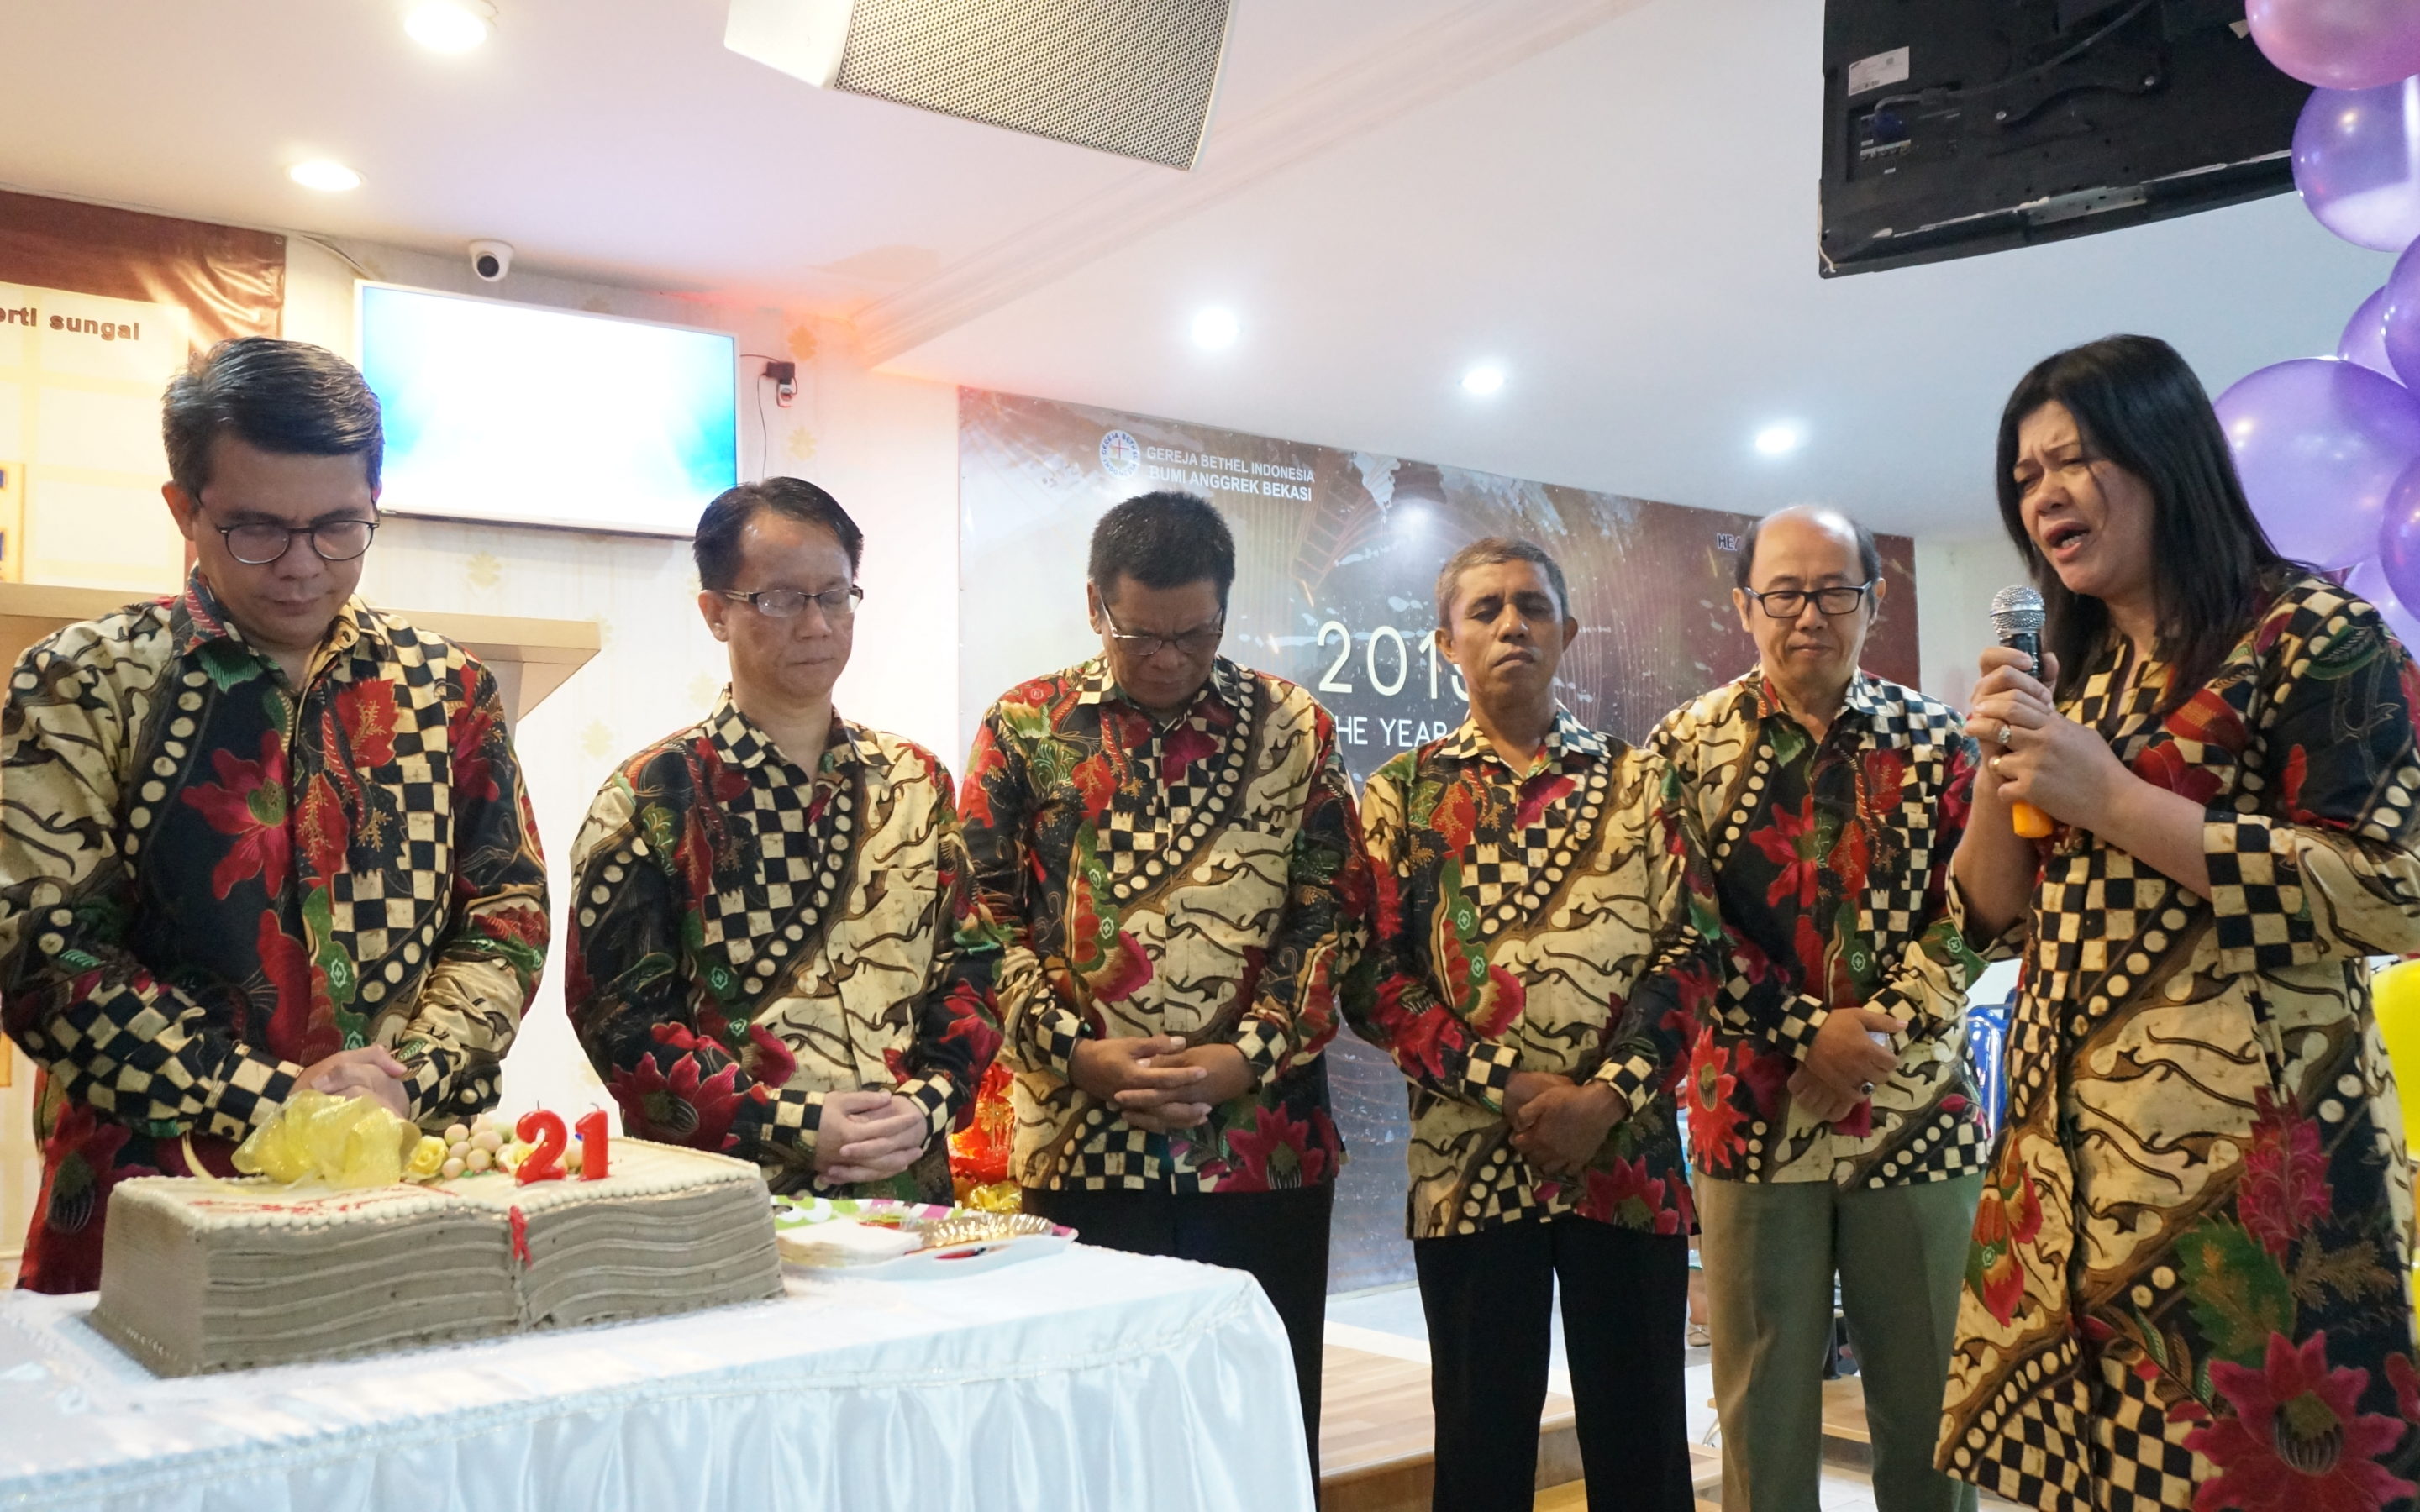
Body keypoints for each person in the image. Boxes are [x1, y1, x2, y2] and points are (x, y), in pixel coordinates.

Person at [1944, 334, 2420, 1510]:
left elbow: (2392, 886)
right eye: (2024, 476)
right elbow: (1986, 919)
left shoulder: (2313, 635)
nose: (2043, 494)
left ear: (2167, 454)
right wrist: (2008, 758)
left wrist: (2114, 800)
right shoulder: (2074, 671)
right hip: (2064, 1191)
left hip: (2248, 1200)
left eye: (2073, 459)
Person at [0, 337, 550, 1292]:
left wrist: (409, 1077)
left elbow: (505, 916)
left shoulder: (446, 690)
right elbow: (41, 950)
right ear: (185, 509)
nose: (301, 566)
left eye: (339, 528)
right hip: (154, 1188)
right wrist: (271, 1099)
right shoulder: (86, 681)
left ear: (375, 501)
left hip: (401, 1173)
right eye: (256, 530)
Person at [958, 491, 1364, 1486]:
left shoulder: (1295, 729)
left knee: (1260, 1431)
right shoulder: (1025, 726)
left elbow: (1333, 916)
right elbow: (977, 919)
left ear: (1225, 607)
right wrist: (1077, 1055)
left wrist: (1244, 1058)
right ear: (1095, 606)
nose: (1172, 659)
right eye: (1143, 635)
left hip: (1262, 1150)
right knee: (1093, 1444)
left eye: (1197, 633)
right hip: (1081, 1144)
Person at [1344, 537, 1707, 1512]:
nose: (1512, 625)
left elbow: (1694, 954)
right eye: (1487, 609)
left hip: (1626, 1165)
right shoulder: (1403, 794)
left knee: (1644, 1450)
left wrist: (1606, 1098)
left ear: (1569, 632)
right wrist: (1505, 1088)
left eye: (1533, 606)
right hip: (1468, 1170)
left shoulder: (1643, 783)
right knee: (1480, 1446)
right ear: (1445, 642)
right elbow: (1374, 978)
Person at [1652, 506, 1988, 1512]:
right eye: (1785, 592)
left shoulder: (1941, 743)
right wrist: (1810, 1034)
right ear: (1744, 606)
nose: (1809, 614)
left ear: (1874, 603)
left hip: (1916, 1116)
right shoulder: (1682, 748)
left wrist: (1876, 1033)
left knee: (1934, 1421)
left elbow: (1984, 910)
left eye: (1835, 591)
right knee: (1763, 1423)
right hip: (1753, 1120)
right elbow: (1681, 924)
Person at [565, 479, 998, 1200]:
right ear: (716, 613)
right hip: (732, 1206)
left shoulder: (915, 781)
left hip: (908, 1197)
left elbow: (972, 968)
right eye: (780, 599)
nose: (817, 625)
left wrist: (928, 1103)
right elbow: (619, 1023)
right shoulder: (651, 797)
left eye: (835, 596)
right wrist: (789, 1124)